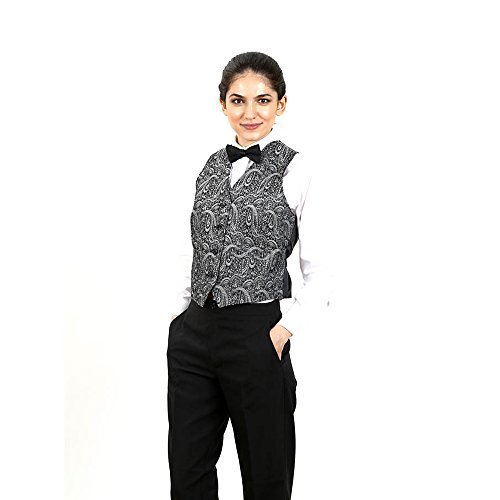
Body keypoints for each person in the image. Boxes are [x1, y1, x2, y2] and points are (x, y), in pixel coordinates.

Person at [166, 51, 332, 500]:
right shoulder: (208, 167)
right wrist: (180, 319)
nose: (250, 112)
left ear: (281, 104)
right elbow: (190, 248)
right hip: (195, 334)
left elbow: (322, 271)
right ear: (223, 104)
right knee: (188, 475)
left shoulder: (299, 169)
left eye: (263, 100)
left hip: (257, 334)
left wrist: (282, 331)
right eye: (238, 100)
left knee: (265, 478)